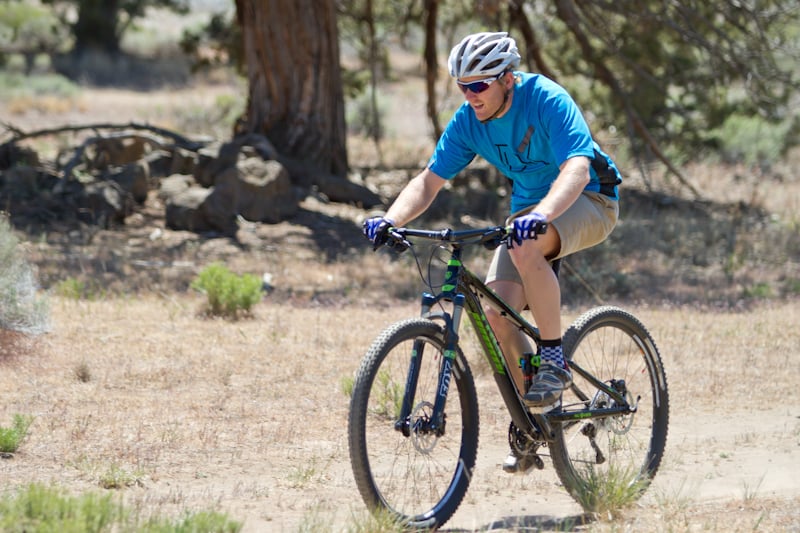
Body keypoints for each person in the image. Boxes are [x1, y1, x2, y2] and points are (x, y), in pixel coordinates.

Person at [362, 31, 622, 473]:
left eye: (479, 85)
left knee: (525, 246)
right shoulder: (469, 121)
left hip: (590, 198)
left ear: (507, 79)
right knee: (497, 313)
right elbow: (428, 181)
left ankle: (553, 360)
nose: (470, 95)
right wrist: (391, 219)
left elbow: (577, 168)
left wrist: (541, 215)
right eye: (462, 86)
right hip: (528, 214)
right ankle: (535, 420)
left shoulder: (546, 99)